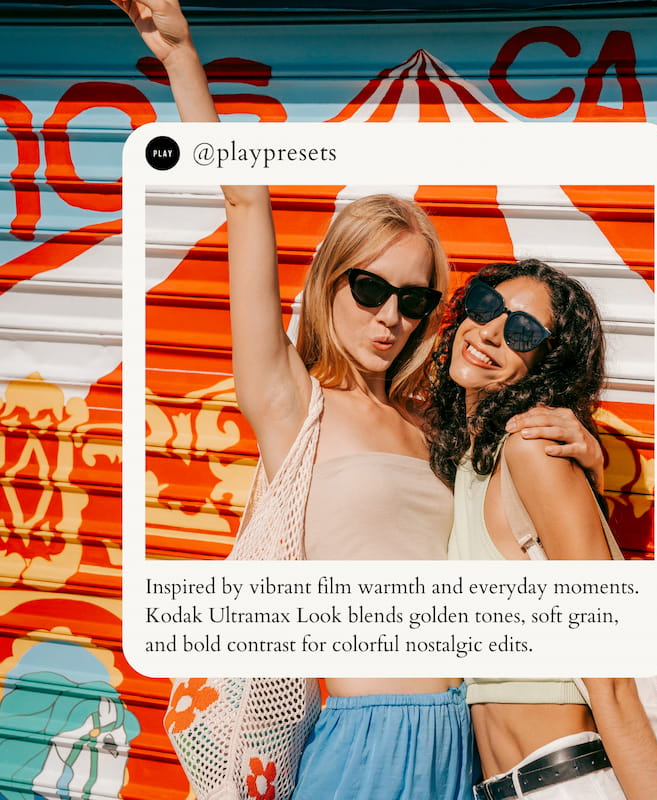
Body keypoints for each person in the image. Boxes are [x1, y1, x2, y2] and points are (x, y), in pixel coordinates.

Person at [112, 3, 607, 798]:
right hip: (369, 741)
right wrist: (180, 58)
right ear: (328, 284)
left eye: (413, 301)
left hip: (468, 736)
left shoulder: (434, 421)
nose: (390, 316)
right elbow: (246, 203)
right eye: (371, 288)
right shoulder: (290, 404)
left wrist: (596, 448)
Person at [426, 259, 657, 800]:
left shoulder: (532, 447)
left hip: (566, 782)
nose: (490, 332)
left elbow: (610, 671)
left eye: (522, 332)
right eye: (486, 306)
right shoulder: (467, 461)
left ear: (545, 362)